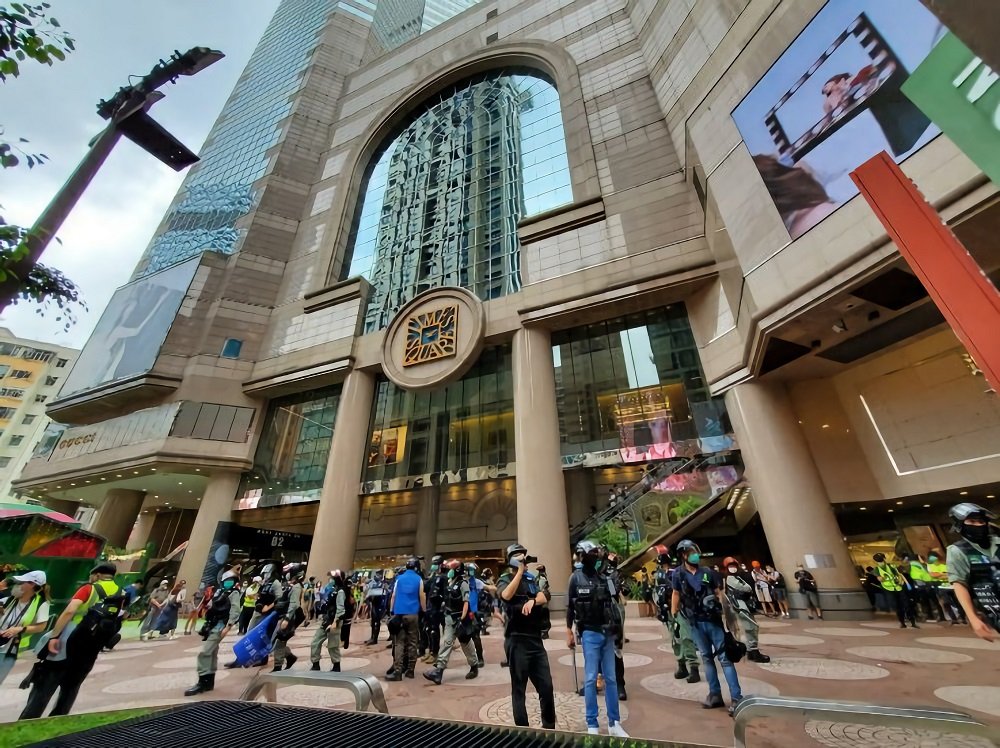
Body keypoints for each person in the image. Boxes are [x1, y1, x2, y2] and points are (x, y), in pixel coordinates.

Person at [20, 562, 123, 719]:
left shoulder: (89, 588)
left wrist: (55, 636)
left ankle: (28, 720)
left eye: (91, 576)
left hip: (68, 642)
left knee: (46, 685)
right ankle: (57, 720)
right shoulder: (121, 592)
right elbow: (122, 616)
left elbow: (69, 611)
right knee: (71, 687)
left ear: (97, 575)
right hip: (91, 648)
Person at [672, 540, 742, 714]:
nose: (695, 555)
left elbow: (720, 594)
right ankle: (715, 694)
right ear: (683, 555)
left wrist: (730, 619)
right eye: (690, 552)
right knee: (706, 658)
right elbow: (676, 593)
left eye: (695, 551)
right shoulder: (678, 575)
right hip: (695, 623)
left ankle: (736, 698)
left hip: (713, 621)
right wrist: (674, 618)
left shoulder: (708, 572)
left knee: (725, 658)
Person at [567, 540, 628, 738]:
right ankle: (592, 723)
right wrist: (568, 631)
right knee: (592, 678)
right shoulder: (575, 579)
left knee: (611, 678)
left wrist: (619, 633)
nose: (596, 556)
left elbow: (616, 605)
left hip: (607, 634)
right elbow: (570, 607)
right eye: (592, 553)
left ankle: (614, 722)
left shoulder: (606, 578)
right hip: (590, 634)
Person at [497, 543, 555, 730]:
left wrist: (532, 601)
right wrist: (519, 573)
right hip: (517, 640)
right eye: (520, 557)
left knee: (546, 687)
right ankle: (523, 730)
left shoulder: (531, 578)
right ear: (512, 559)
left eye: (525, 557)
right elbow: (506, 595)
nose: (524, 560)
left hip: (535, 640)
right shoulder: (505, 579)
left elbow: (544, 597)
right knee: (519, 688)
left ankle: (549, 726)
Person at [946, 503, 999, 642]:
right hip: (995, 610)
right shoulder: (957, 551)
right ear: (960, 525)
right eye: (972, 521)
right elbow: (959, 584)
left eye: (981, 521)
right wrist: (973, 618)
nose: (978, 525)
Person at [184, 570, 242, 696]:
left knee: (205, 652)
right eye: (226, 581)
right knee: (212, 652)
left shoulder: (234, 593)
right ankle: (208, 682)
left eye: (231, 581)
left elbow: (235, 610)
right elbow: (211, 605)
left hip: (220, 625)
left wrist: (228, 627)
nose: (228, 583)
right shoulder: (219, 591)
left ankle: (202, 681)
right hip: (212, 624)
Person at [423, 559, 478, 685]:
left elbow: (466, 603)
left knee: (466, 644)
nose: (449, 571)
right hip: (449, 618)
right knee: (447, 642)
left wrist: (462, 619)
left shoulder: (463, 583)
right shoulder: (451, 582)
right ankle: (439, 672)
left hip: (459, 619)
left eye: (452, 569)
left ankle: (474, 665)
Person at [652, 545, 700, 683]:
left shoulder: (676, 573)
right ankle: (681, 664)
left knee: (686, 637)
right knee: (675, 639)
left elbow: (679, 591)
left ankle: (693, 666)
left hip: (680, 609)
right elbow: (657, 592)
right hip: (667, 610)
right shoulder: (660, 574)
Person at [0, 570, 50, 685]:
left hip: (11, 649)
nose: (17, 585)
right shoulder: (9, 598)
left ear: (32, 585)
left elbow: (41, 627)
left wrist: (19, 629)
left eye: (21, 582)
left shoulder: (41, 603)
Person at [721, 557, 770, 663]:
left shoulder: (737, 577)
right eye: (730, 566)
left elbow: (747, 587)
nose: (733, 568)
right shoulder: (730, 578)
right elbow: (746, 588)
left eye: (734, 566)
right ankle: (753, 651)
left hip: (743, 605)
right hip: (739, 606)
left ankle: (751, 651)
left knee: (751, 627)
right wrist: (747, 588)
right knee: (751, 627)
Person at [386, 558, 425, 681]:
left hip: (399, 614)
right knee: (413, 642)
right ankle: (410, 670)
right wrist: (424, 610)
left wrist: (391, 610)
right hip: (413, 613)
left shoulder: (399, 578)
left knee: (399, 643)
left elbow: (393, 596)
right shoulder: (419, 579)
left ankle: (398, 671)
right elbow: (421, 595)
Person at [311, 569, 348, 672]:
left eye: (333, 578)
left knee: (333, 645)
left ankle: (336, 666)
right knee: (315, 642)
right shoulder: (332, 590)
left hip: (334, 621)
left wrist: (335, 622)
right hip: (326, 620)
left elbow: (341, 609)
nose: (331, 580)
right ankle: (315, 664)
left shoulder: (341, 591)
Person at [272, 563, 305, 671]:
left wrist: (287, 619)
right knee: (279, 641)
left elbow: (294, 604)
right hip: (284, 615)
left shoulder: (296, 587)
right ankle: (290, 657)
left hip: (290, 617)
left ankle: (278, 666)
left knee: (280, 641)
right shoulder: (290, 585)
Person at [873, 553, 916, 629]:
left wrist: (900, 580)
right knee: (897, 607)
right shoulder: (877, 569)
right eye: (879, 561)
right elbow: (879, 578)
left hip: (899, 587)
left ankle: (912, 621)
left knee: (907, 605)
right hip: (889, 589)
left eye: (882, 560)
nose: (881, 562)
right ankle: (902, 622)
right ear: (876, 562)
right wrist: (881, 578)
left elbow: (899, 573)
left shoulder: (891, 566)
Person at [927, 550, 965, 625]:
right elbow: (933, 575)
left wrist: (941, 575)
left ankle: (963, 617)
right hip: (941, 587)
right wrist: (944, 574)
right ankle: (953, 619)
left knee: (957, 602)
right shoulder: (930, 565)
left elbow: (952, 573)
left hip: (952, 585)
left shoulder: (945, 563)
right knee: (946, 603)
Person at [422, 556, 446, 665]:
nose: (434, 566)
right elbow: (425, 588)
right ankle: (430, 651)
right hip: (429, 607)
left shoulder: (443, 577)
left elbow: (445, 594)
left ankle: (434, 653)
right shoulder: (432, 577)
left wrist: (442, 605)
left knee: (434, 631)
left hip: (437, 608)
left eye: (435, 564)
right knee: (427, 629)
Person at [365, 569, 388, 645]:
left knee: (377, 621)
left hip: (379, 604)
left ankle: (375, 639)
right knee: (373, 621)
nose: (379, 575)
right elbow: (367, 590)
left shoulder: (383, 583)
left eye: (380, 574)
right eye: (378, 574)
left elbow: (385, 593)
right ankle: (372, 637)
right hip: (373, 603)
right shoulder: (372, 582)